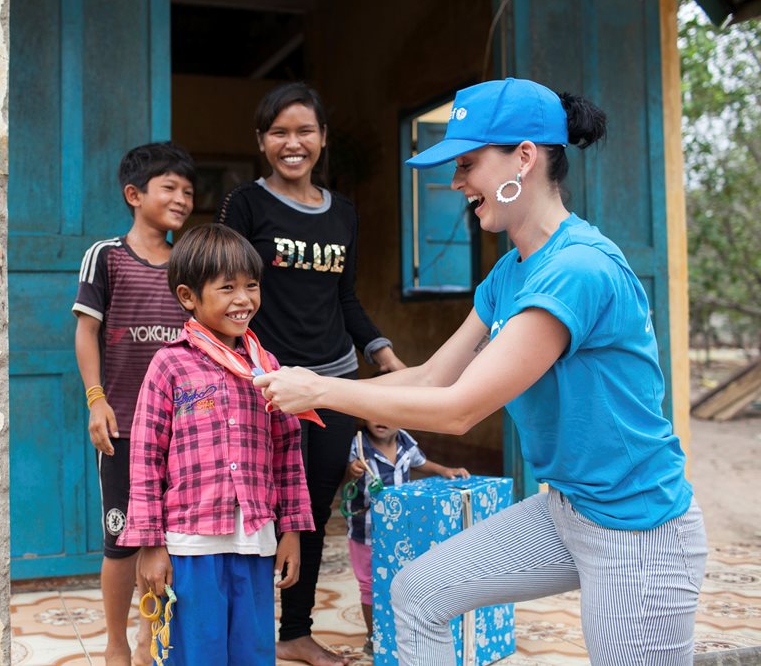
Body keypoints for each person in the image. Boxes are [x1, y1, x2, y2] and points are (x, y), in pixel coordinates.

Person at [254, 77, 708, 665]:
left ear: (525, 155)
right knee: (417, 592)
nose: (456, 182)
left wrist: (317, 388)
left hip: (637, 527)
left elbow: (461, 408)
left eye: (468, 164)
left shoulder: (578, 268)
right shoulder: (509, 275)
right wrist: (310, 391)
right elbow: (431, 377)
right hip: (567, 509)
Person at [216, 81, 406, 666]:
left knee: (311, 507)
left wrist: (385, 358)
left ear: (322, 138)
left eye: (304, 131)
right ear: (261, 140)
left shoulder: (343, 213)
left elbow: (345, 298)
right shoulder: (244, 206)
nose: (292, 143)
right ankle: (239, 629)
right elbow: (229, 288)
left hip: (334, 381)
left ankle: (294, 629)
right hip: (265, 383)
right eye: (279, 132)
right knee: (252, 505)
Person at [119, 223, 315, 666]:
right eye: (227, 288)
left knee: (253, 651)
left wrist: (292, 531)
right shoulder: (170, 364)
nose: (243, 299)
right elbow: (145, 458)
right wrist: (151, 545)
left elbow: (287, 451)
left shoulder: (267, 367)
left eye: (251, 285)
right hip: (190, 544)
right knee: (195, 652)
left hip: (255, 539)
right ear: (189, 296)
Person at [72, 141, 195, 666]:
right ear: (134, 194)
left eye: (189, 190)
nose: (183, 199)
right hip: (123, 429)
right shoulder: (107, 256)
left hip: (184, 428)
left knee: (174, 538)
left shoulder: (190, 262)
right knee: (122, 539)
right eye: (169, 187)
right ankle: (118, 643)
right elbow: (87, 331)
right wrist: (95, 399)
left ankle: (153, 633)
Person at [344, 417, 470, 654]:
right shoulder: (359, 444)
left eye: (388, 412)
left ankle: (405, 632)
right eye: (373, 412)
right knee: (369, 585)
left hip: (400, 529)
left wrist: (444, 470)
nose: (381, 419)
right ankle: (374, 637)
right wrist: (353, 470)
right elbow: (349, 472)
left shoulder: (405, 441)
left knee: (401, 580)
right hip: (365, 529)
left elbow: (420, 462)